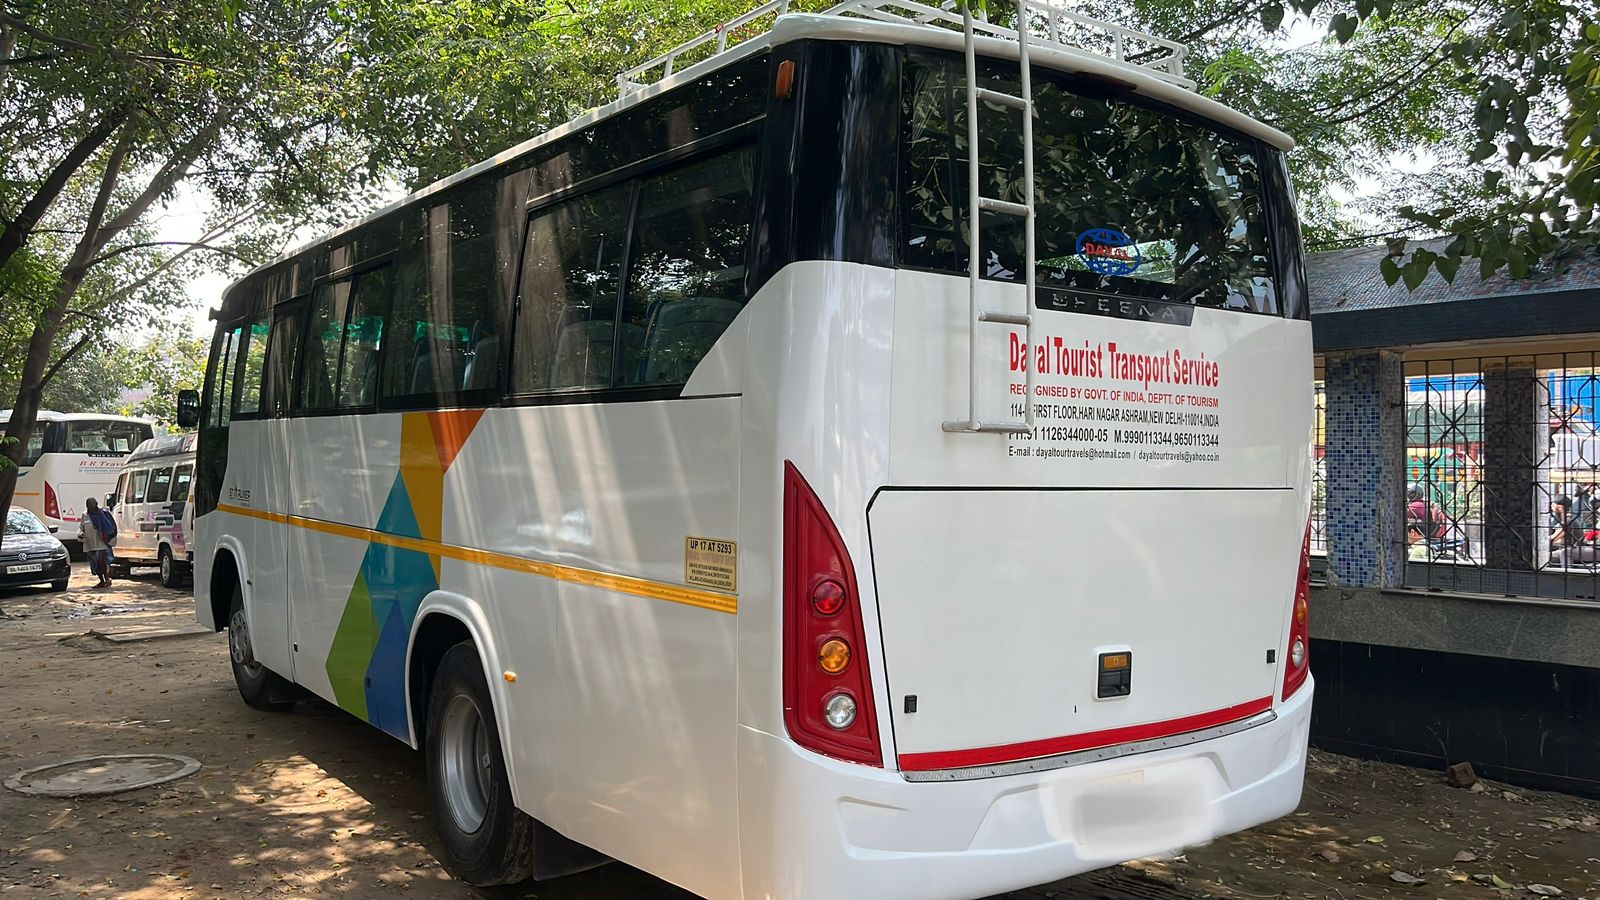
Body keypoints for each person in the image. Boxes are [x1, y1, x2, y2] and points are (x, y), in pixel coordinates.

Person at [79, 497, 116, 588]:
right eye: (89, 505)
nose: (91, 507)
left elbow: (111, 527)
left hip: (102, 543)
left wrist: (110, 537)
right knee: (95, 563)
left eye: (92, 504)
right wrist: (80, 534)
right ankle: (101, 580)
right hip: (90, 544)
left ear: (96, 504)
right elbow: (81, 528)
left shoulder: (104, 514)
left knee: (101, 561)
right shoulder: (85, 515)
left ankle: (107, 579)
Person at [1549, 494, 1583, 561]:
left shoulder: (1568, 521)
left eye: (1553, 505)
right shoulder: (1571, 518)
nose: (1551, 507)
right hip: (1568, 548)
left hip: (1568, 551)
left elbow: (1553, 538)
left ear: (1560, 508)